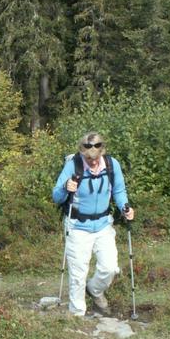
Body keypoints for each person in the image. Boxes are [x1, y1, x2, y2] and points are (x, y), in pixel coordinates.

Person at [52, 132, 135, 316]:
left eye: (96, 158)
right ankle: (77, 315)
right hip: (78, 226)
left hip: (104, 224)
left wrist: (125, 207)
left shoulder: (112, 165)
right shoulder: (72, 165)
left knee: (110, 268)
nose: (93, 162)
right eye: (88, 159)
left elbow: (119, 190)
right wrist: (66, 188)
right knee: (78, 274)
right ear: (82, 153)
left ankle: (95, 290)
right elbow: (56, 196)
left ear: (102, 152)